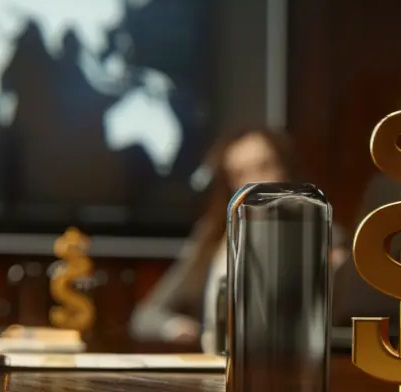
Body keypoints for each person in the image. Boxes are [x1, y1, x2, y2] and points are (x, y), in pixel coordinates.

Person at [129, 127, 346, 352]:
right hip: (214, 369)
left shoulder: (322, 235)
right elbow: (144, 317)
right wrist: (175, 328)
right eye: (241, 174)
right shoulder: (211, 237)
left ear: (286, 169)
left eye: (265, 166)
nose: (256, 182)